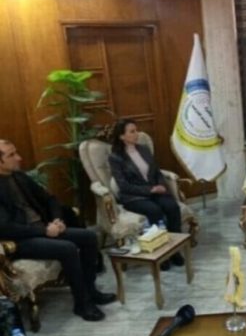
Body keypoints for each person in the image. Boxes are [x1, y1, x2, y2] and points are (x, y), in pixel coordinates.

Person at [0, 140, 116, 321]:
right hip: (20, 240)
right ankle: (82, 304)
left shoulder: (19, 176)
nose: (19, 158)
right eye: (11, 155)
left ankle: (91, 291)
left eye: (16, 152)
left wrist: (57, 219)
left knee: (89, 236)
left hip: (44, 229)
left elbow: (50, 199)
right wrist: (44, 230)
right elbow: (6, 227)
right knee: (67, 248)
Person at [109, 119, 184, 270]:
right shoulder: (115, 157)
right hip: (133, 196)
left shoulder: (143, 149)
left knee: (172, 207)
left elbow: (156, 172)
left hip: (154, 191)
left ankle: (174, 250)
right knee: (154, 211)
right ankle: (160, 254)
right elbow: (124, 186)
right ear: (122, 136)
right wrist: (150, 190)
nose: (137, 134)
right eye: (132, 131)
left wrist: (161, 185)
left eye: (136, 130)